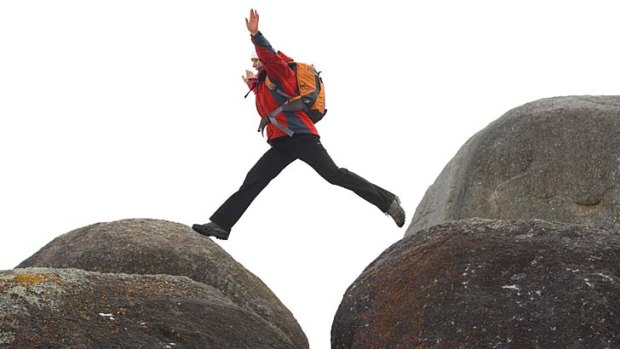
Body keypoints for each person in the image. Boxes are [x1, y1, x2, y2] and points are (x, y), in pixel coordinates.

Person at [192, 9, 405, 240]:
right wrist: (252, 83)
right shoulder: (264, 85)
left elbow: (270, 57)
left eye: (256, 60)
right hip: (283, 142)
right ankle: (221, 225)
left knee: (333, 175)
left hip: (302, 137)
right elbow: (271, 104)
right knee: (255, 178)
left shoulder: (279, 71)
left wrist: (256, 35)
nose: (254, 63)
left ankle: (388, 201)